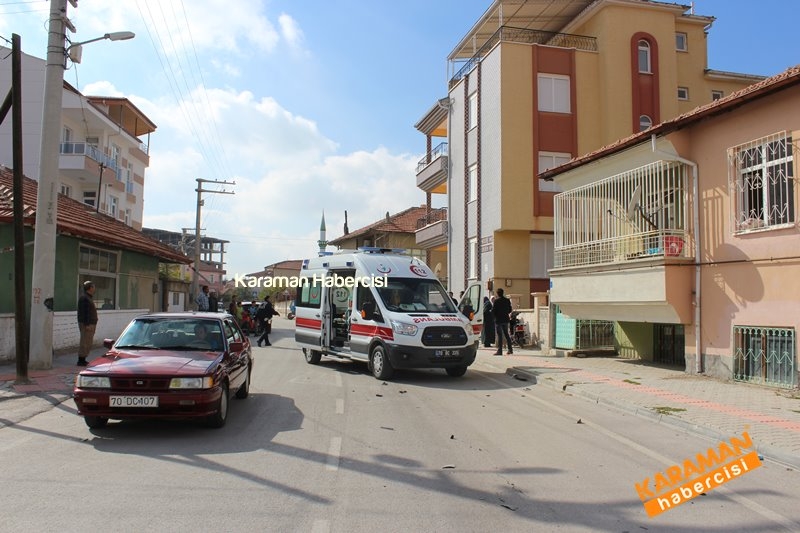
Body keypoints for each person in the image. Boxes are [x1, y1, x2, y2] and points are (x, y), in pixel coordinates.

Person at [77, 280, 98, 366]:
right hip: (87, 324)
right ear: (90, 288)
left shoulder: (88, 297)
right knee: (85, 341)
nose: (94, 288)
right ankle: (81, 359)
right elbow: (84, 313)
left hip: (91, 324)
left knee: (88, 341)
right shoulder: (84, 298)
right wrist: (87, 324)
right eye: (93, 287)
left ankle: (84, 358)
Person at [492, 288, 513, 355]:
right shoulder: (507, 300)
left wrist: (494, 317)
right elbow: (510, 310)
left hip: (498, 320)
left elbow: (493, 311)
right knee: (506, 334)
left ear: (497, 293)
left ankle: (500, 350)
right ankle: (510, 349)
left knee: (500, 335)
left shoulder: (496, 301)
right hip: (505, 319)